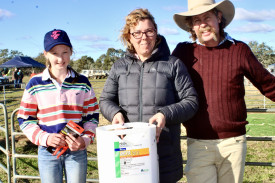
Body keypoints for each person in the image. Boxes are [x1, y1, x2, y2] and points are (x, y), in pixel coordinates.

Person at [172, 0, 275, 182]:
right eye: (196, 20)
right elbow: (162, 83)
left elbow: (268, 84)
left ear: (219, 17)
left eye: (207, 17)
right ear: (192, 27)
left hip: (233, 144)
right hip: (198, 144)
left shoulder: (239, 50)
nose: (203, 24)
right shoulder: (183, 52)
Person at [99, 8, 198, 183]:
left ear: (156, 33)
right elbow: (105, 100)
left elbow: (191, 101)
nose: (144, 37)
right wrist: (115, 113)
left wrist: (164, 114)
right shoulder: (119, 67)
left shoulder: (173, 65)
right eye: (137, 33)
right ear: (129, 36)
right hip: (128, 156)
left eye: (149, 31)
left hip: (164, 157)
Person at [17, 29, 99, 183]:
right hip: (47, 152)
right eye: (54, 53)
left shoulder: (82, 82)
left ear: (71, 52)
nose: (60, 59)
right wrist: (45, 138)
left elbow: (92, 116)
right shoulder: (35, 83)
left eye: (65, 52)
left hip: (76, 150)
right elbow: (25, 119)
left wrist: (86, 140)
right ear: (45, 54)